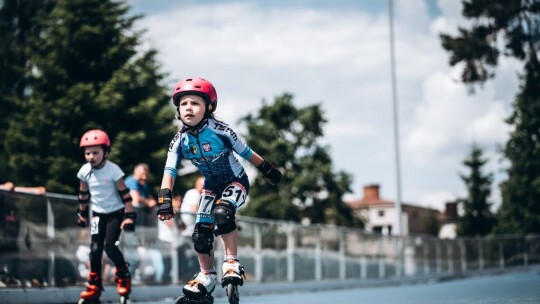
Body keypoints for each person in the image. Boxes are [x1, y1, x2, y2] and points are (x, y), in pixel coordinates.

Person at [156, 77, 282, 302]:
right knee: (200, 234)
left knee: (222, 213)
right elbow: (170, 171)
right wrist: (165, 199)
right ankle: (207, 276)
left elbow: (246, 152)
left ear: (209, 107)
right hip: (211, 186)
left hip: (236, 180)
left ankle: (232, 262)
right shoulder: (178, 141)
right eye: (183, 104)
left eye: (195, 103)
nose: (188, 108)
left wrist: (267, 169)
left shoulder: (221, 130)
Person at [76, 129, 136, 303]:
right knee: (94, 250)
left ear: (106, 153)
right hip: (97, 214)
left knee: (109, 246)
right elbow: (83, 194)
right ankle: (94, 285)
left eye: (95, 152)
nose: (91, 157)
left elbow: (126, 194)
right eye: (87, 153)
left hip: (115, 213)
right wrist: (81, 213)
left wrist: (129, 215)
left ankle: (123, 275)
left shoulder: (113, 170)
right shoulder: (84, 171)